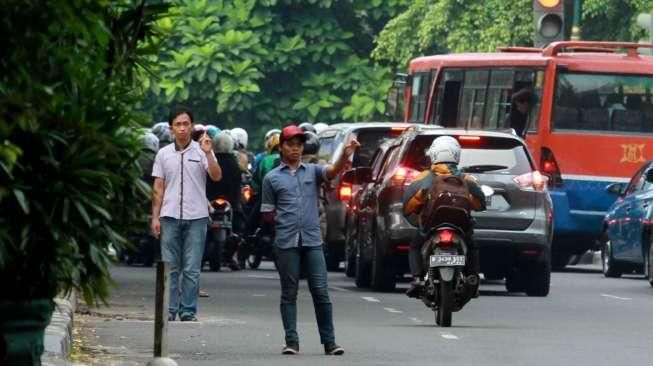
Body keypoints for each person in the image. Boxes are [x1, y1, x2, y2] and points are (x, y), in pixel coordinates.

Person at [260, 125, 359, 356]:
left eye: (299, 145)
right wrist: (284, 223)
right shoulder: (272, 178)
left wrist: (346, 154)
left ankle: (330, 342)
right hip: (286, 242)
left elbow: (332, 172)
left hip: (313, 240)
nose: (295, 149)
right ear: (281, 148)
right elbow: (267, 213)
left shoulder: (313, 171)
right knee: (289, 292)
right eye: (290, 145)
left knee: (321, 291)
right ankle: (291, 341)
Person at [151, 105, 222, 322]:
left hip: (197, 216)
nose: (182, 128)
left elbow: (216, 176)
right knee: (170, 266)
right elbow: (158, 186)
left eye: (185, 124)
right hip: (169, 214)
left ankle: (188, 310)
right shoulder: (163, 154)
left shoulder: (202, 150)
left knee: (192, 267)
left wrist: (209, 153)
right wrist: (155, 216)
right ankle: (169, 310)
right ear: (171, 128)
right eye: (178, 124)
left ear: (192, 126)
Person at [402, 136, 486, 298]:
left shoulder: (422, 178)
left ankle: (417, 279)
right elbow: (480, 205)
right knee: (473, 246)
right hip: (461, 227)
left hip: (430, 227)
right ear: (456, 155)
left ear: (433, 155)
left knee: (414, 246)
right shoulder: (467, 179)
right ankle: (473, 277)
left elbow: (408, 207)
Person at [207, 131, 244, 271]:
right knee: (241, 223)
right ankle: (235, 254)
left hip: (210, 201)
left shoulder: (210, 160)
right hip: (231, 202)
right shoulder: (234, 163)